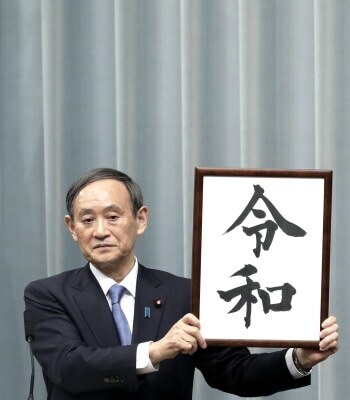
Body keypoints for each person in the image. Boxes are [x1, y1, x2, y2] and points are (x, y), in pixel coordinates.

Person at [24, 168, 339, 400]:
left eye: (113, 216)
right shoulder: (48, 295)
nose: (101, 230)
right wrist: (156, 351)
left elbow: (235, 372)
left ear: (141, 219)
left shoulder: (184, 294)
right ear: (72, 228)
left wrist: (298, 359)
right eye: (88, 220)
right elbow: (68, 366)